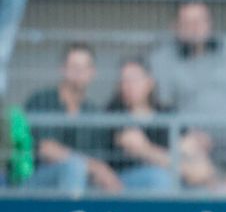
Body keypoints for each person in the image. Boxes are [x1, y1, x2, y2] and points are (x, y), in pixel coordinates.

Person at [148, 1, 226, 186]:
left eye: (200, 21)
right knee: (183, 159)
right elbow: (161, 105)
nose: (195, 28)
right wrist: (187, 134)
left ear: (210, 24)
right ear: (175, 27)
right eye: (188, 22)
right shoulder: (162, 59)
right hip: (191, 140)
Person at [104, 58, 216, 191]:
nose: (128, 85)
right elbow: (138, 149)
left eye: (134, 79)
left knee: (203, 184)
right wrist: (185, 167)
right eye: (124, 81)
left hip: (175, 174)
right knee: (160, 178)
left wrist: (150, 151)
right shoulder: (115, 112)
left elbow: (192, 153)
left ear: (150, 82)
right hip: (127, 180)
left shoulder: (166, 112)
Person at [23, 42, 119, 192]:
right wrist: (94, 166)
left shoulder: (93, 112)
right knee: (74, 167)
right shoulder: (42, 100)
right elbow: (46, 150)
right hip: (37, 180)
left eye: (83, 68)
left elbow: (99, 158)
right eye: (73, 67)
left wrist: (101, 172)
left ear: (92, 72)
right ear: (62, 69)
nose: (78, 73)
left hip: (84, 183)